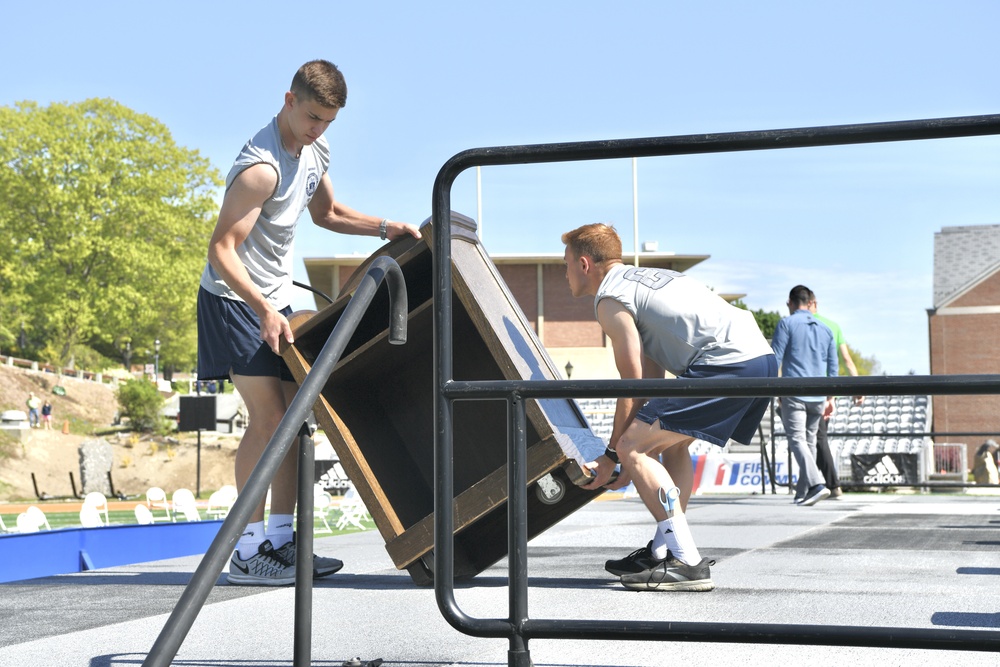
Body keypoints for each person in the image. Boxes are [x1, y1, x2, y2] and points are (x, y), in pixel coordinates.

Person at [197, 59, 422, 586]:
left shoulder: (315, 151)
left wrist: (386, 228)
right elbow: (221, 250)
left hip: (272, 298)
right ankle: (248, 552)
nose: (318, 128)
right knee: (270, 419)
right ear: (289, 100)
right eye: (313, 117)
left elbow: (329, 214)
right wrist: (264, 308)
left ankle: (281, 540)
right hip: (236, 301)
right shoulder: (262, 169)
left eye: (329, 121)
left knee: (299, 422)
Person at [564, 223, 777, 592]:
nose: (563, 272)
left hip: (726, 362)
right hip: (759, 357)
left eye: (565, 264)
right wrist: (631, 453)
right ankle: (664, 552)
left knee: (634, 446)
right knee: (671, 444)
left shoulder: (609, 298)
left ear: (585, 265)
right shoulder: (642, 280)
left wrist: (616, 454)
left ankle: (687, 561)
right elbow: (651, 378)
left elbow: (630, 383)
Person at [771, 285, 837, 507]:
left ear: (790, 302)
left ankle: (817, 484)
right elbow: (833, 368)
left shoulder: (786, 323)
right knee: (808, 442)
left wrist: (775, 391)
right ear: (810, 302)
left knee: (798, 440)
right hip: (819, 396)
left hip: (795, 393)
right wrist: (831, 398)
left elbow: (775, 360)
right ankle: (802, 493)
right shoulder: (826, 329)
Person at [808, 296, 864, 499]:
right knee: (816, 439)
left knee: (817, 438)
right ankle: (817, 483)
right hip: (828, 391)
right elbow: (847, 360)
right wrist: (857, 386)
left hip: (813, 390)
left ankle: (831, 485)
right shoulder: (833, 326)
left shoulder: (803, 325)